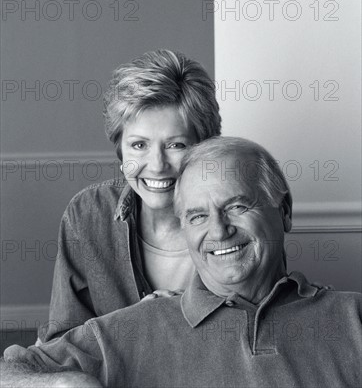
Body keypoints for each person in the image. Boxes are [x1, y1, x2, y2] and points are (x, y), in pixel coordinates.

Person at [3, 137, 361, 388]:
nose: (219, 231)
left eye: (237, 206)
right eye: (197, 217)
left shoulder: (351, 317)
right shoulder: (129, 332)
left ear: (283, 212)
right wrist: (67, 383)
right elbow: (12, 370)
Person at [37, 49, 221, 342]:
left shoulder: (239, 219)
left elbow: (253, 336)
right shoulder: (87, 215)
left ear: (204, 148)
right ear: (120, 152)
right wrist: (133, 324)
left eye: (176, 145)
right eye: (139, 145)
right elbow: (62, 340)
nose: (158, 165)